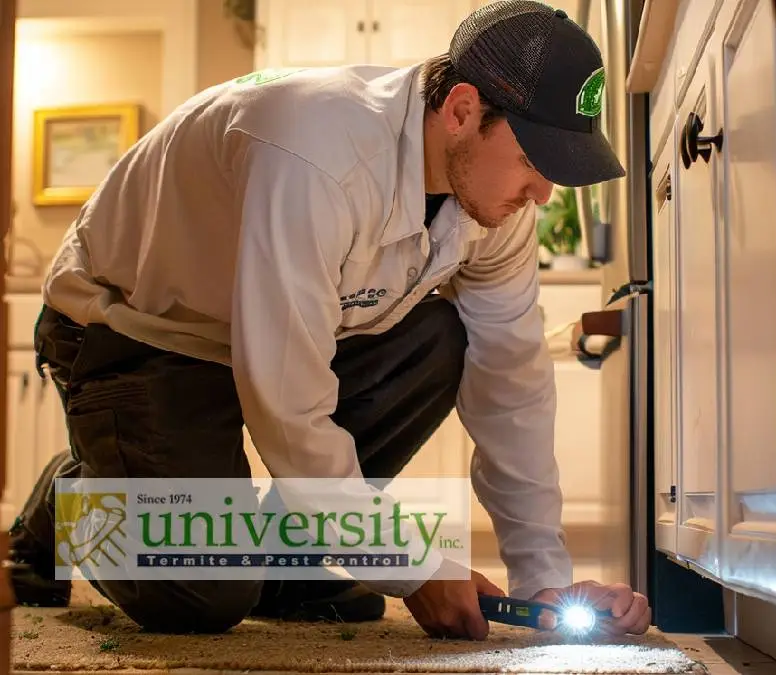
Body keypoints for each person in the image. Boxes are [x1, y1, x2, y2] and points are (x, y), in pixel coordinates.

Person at [8, 0, 651, 639]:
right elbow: (289, 408)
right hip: (137, 330)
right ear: (460, 111)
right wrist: (412, 567)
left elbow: (512, 384)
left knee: (439, 337)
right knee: (199, 595)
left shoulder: (497, 211)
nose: (543, 194)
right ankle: (75, 494)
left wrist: (542, 582)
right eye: (535, 162)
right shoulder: (315, 157)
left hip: (266, 337)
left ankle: (286, 562)